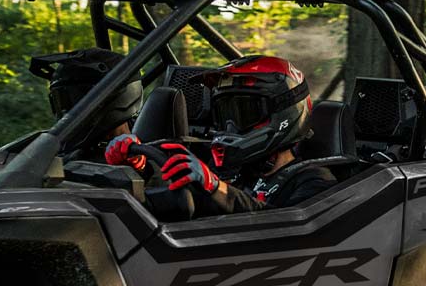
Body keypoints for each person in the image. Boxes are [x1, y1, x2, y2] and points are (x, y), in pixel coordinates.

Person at [105, 54, 335, 215]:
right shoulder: (229, 169)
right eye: (225, 114)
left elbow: (286, 230)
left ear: (284, 113)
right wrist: (142, 168)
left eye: (244, 113)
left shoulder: (314, 180)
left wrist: (217, 188)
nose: (231, 126)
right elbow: (179, 196)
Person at [29, 48, 139, 162]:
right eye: (59, 101)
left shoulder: (143, 149)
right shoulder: (60, 149)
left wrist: (139, 162)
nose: (67, 111)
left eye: (76, 99)